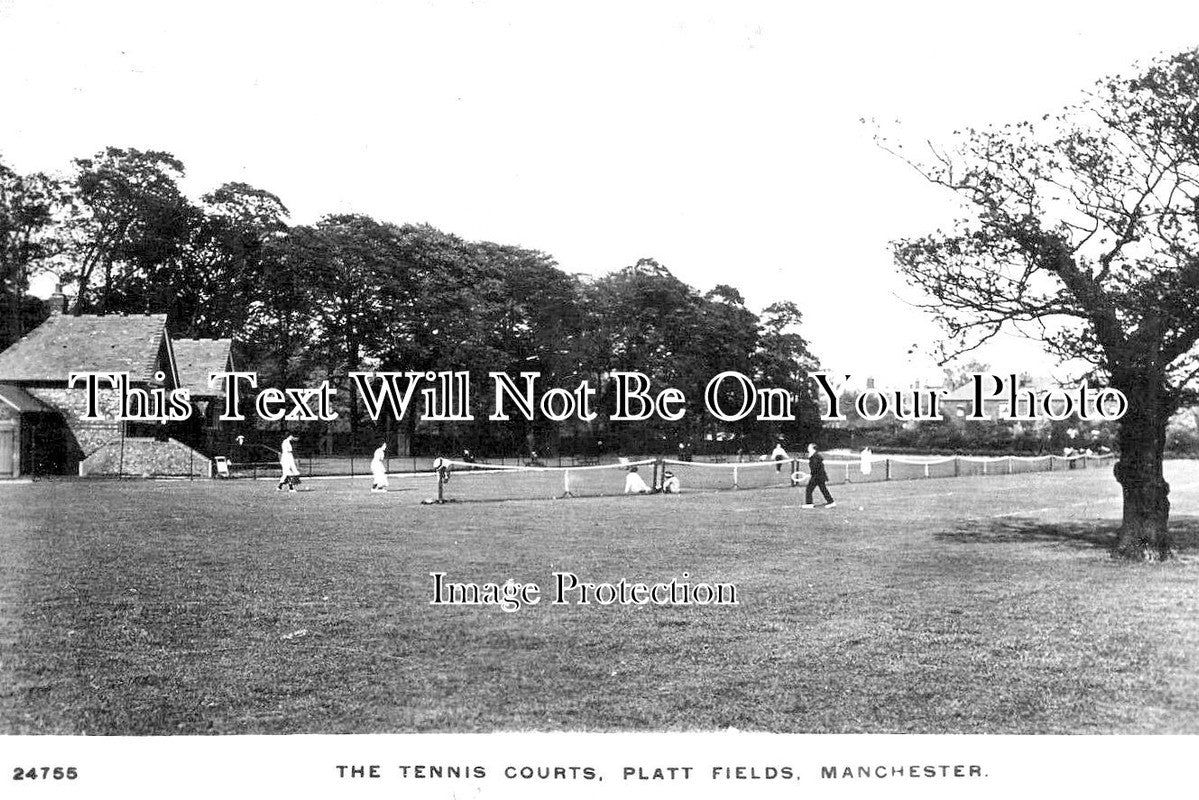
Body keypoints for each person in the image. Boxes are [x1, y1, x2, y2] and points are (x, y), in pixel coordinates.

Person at [802, 443, 835, 508]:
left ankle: (809, 504)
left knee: (809, 489)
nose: (808, 448)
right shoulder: (814, 456)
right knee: (823, 489)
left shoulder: (815, 456)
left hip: (817, 476)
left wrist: (811, 474)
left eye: (809, 447)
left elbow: (815, 467)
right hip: (819, 476)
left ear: (812, 448)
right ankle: (831, 502)